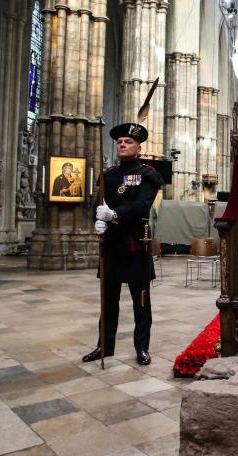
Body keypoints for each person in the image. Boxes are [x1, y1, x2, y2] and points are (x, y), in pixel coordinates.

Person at [82, 122, 164, 366]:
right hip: (111, 248)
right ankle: (104, 346)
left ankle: (142, 348)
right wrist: (97, 221)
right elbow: (97, 204)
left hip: (135, 246)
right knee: (108, 303)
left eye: (128, 142)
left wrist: (114, 216)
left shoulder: (147, 174)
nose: (122, 144)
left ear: (138, 148)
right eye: (119, 142)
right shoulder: (108, 175)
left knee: (140, 303)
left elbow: (141, 206)